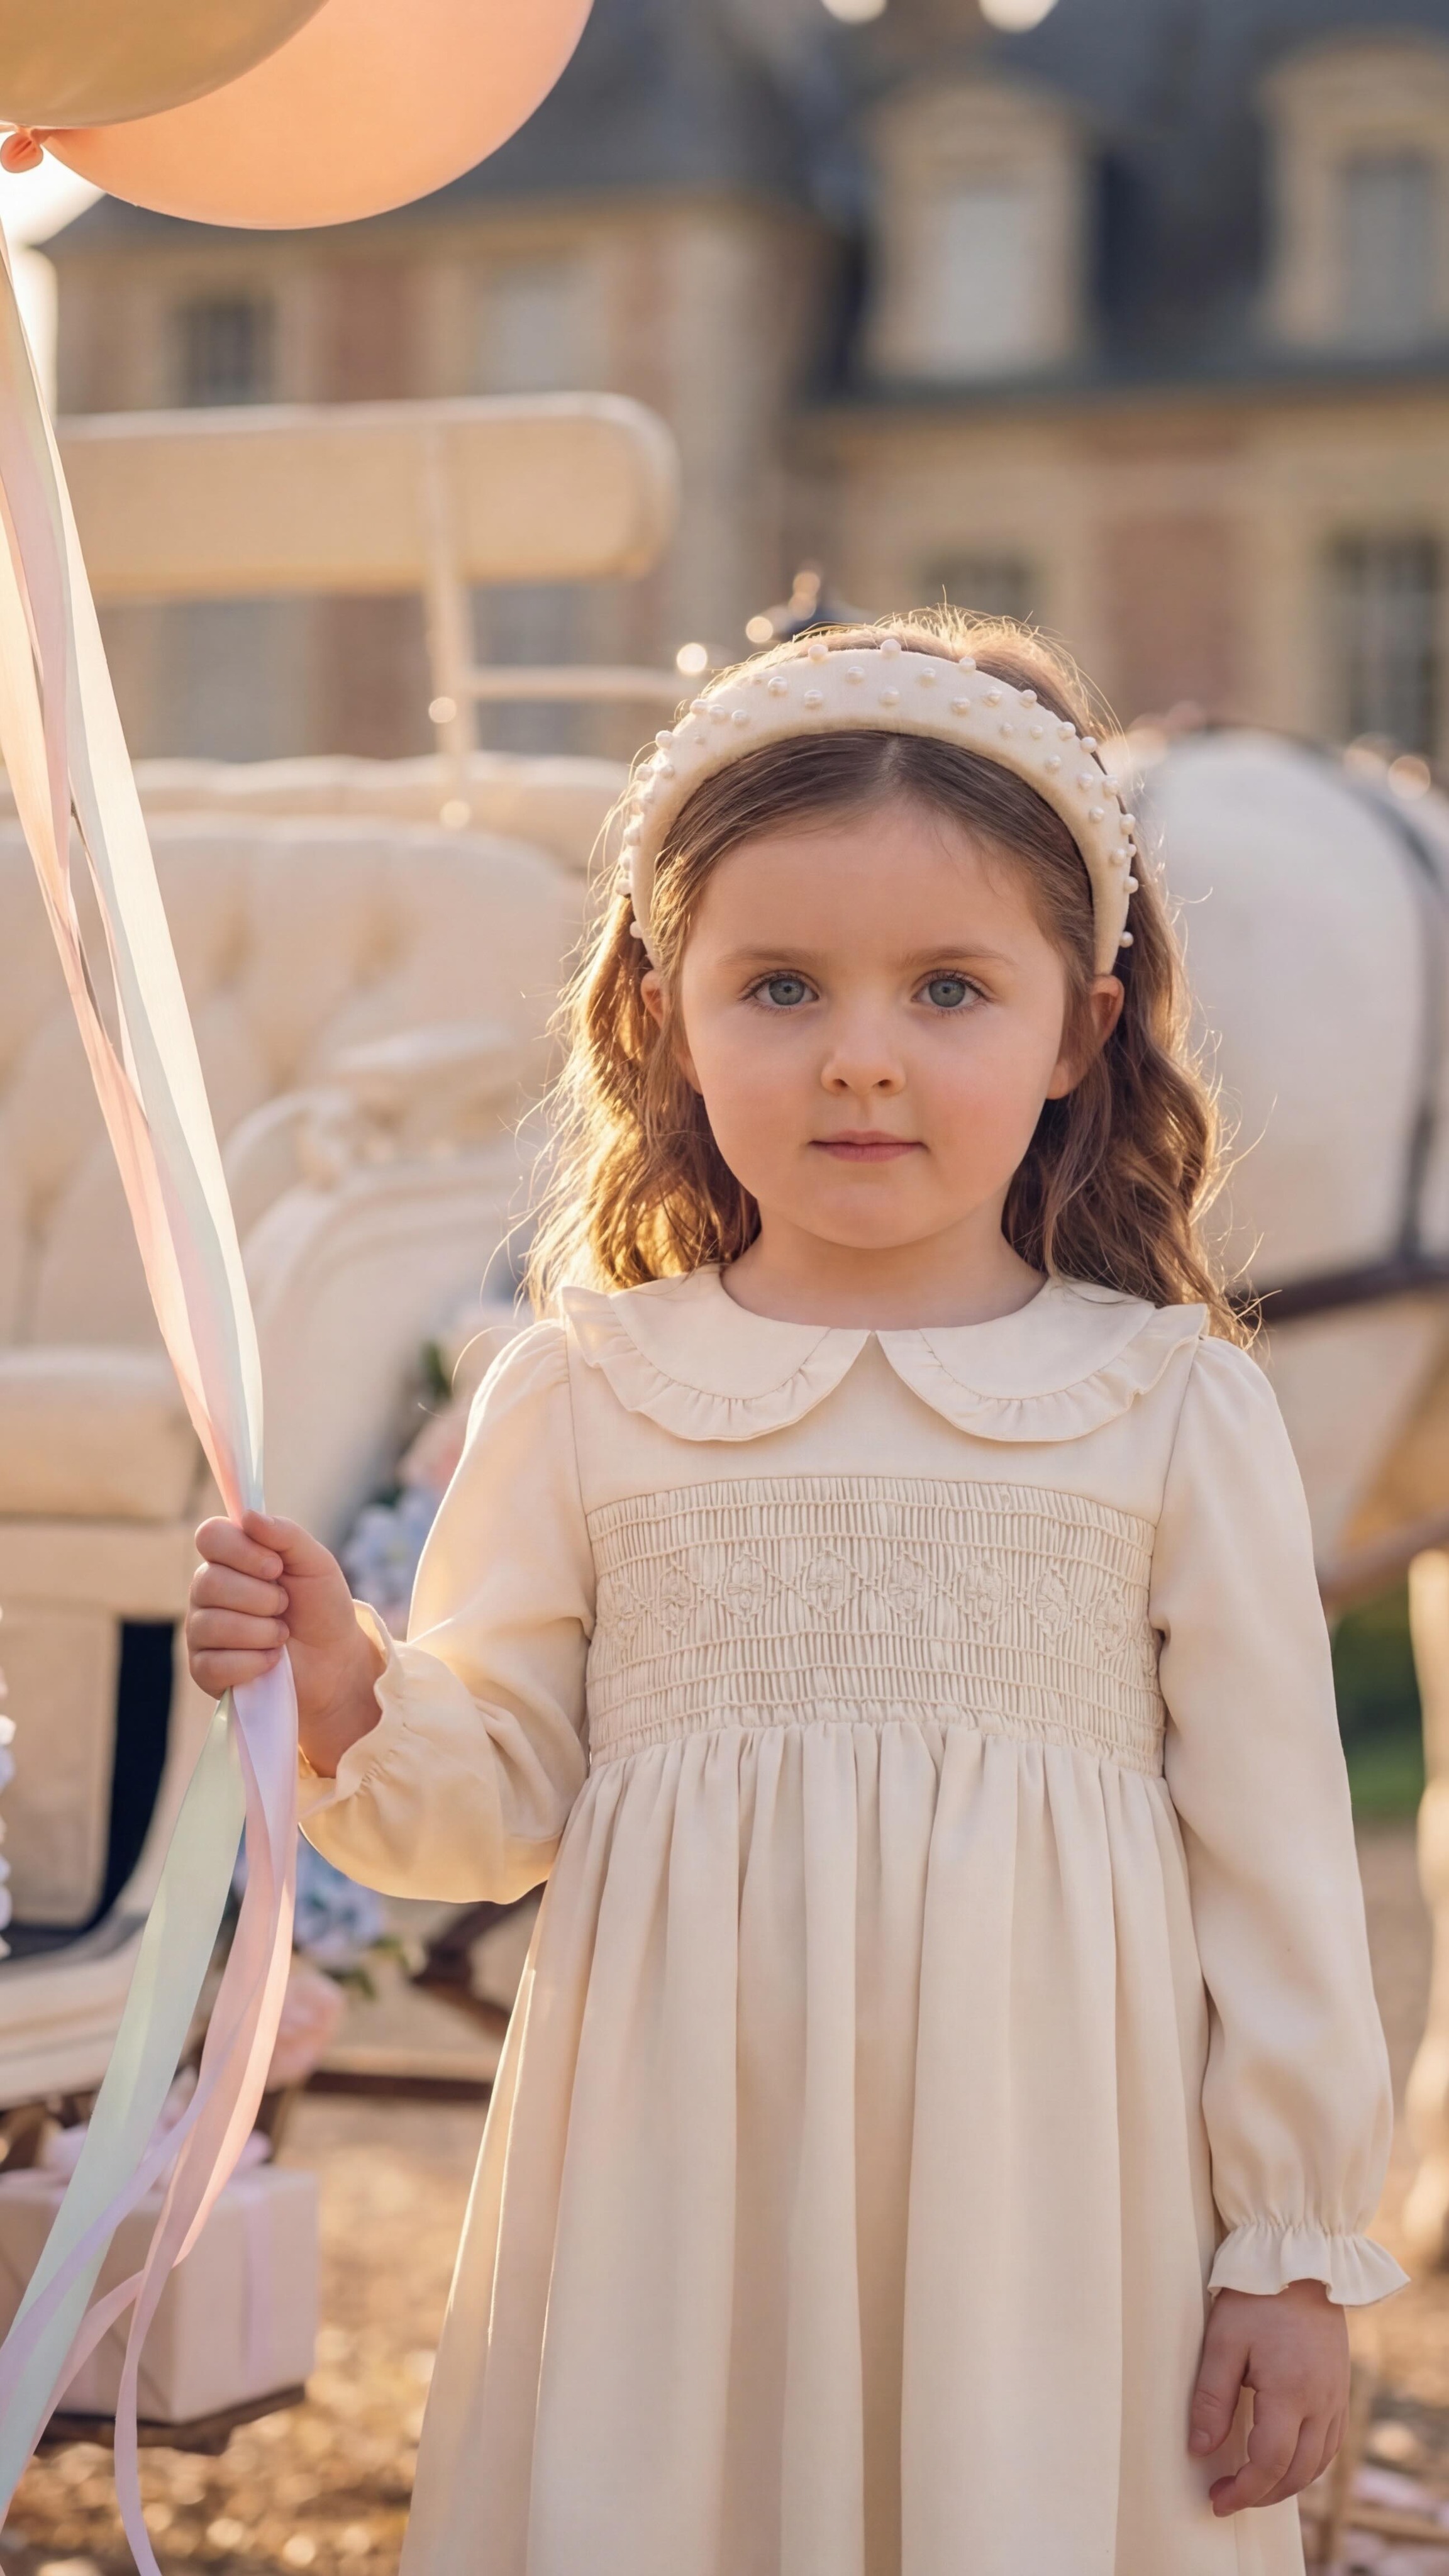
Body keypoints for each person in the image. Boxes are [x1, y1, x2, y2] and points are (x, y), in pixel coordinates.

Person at [187, 613, 1404, 2576]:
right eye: (780, 985)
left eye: (946, 988)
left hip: (1051, 2207)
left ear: (1081, 1029)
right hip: (680, 2202)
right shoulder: (585, 1389)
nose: (860, 1054)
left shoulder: (1166, 1404)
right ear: (663, 1010)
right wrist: (346, 1683)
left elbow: (1273, 1860)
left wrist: (1287, 2251)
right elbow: (493, 1798)